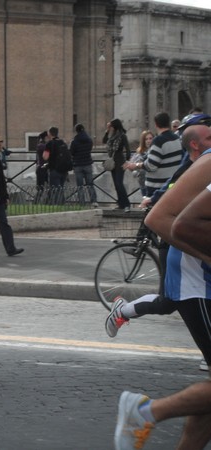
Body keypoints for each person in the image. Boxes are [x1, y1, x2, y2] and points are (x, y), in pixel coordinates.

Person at [112, 144, 211, 450]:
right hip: (196, 282)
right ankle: (146, 411)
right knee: (163, 302)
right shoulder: (205, 162)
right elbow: (166, 220)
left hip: (197, 281)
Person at [105, 124, 211, 372]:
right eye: (209, 135)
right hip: (184, 255)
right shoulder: (200, 165)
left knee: (167, 303)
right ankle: (149, 411)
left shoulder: (196, 162)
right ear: (195, 144)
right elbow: (163, 207)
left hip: (188, 251)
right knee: (167, 302)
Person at [124, 112, 182, 198]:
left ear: (156, 124)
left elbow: (151, 166)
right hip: (171, 184)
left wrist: (136, 165)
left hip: (158, 188)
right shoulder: (176, 138)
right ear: (169, 123)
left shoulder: (158, 141)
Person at [103, 119, 131, 212]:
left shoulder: (122, 136)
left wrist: (127, 162)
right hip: (112, 163)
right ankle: (121, 204)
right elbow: (104, 140)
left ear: (115, 126)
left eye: (111, 126)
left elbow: (128, 150)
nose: (110, 127)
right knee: (116, 184)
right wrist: (107, 131)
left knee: (119, 183)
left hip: (120, 162)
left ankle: (127, 204)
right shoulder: (111, 135)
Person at [69, 123, 97, 207]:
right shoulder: (89, 140)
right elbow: (90, 149)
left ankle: (82, 203)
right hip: (88, 163)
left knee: (80, 186)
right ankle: (94, 201)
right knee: (90, 184)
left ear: (76, 131)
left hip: (78, 165)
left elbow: (71, 152)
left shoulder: (74, 141)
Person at [43, 126, 70, 204]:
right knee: (61, 188)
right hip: (64, 170)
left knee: (55, 189)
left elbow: (45, 157)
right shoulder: (63, 142)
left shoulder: (50, 143)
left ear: (50, 133)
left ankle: (58, 203)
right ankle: (62, 203)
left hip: (54, 169)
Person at [129, 130, 153, 197]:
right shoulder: (139, 152)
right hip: (142, 181)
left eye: (150, 138)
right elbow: (132, 165)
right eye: (146, 139)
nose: (148, 141)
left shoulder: (155, 150)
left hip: (153, 181)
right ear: (143, 141)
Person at [34, 131, 48, 203]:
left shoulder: (41, 145)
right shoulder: (42, 146)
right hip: (42, 169)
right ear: (45, 137)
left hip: (43, 168)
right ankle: (36, 202)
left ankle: (45, 202)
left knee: (45, 188)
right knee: (41, 188)